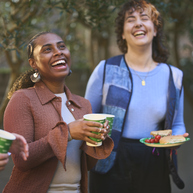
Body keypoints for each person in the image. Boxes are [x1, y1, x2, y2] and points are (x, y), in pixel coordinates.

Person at [85, 1, 189, 193]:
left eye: (145, 18)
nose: (138, 23)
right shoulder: (105, 69)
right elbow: (86, 118)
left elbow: (177, 124)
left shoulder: (174, 76)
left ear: (155, 30)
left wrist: (177, 138)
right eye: (131, 20)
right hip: (110, 161)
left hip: (154, 161)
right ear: (123, 33)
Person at [3, 31, 113, 193]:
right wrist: (67, 133)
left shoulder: (83, 104)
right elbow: (21, 160)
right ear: (33, 63)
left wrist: (96, 139)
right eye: (47, 49)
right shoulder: (23, 99)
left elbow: (87, 165)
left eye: (62, 46)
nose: (58, 51)